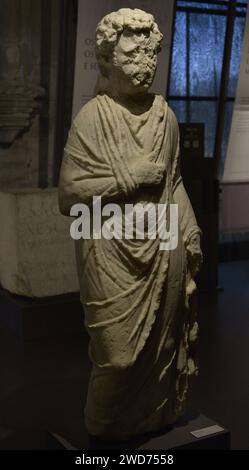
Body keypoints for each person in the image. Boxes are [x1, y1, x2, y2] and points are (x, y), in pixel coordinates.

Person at [58, 8, 202, 441]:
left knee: (162, 346)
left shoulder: (166, 118)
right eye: (131, 56)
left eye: (149, 56)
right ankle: (102, 434)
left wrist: (190, 231)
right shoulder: (92, 119)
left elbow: (173, 182)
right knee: (117, 359)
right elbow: (69, 196)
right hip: (107, 251)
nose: (143, 66)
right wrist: (128, 178)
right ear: (106, 61)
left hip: (163, 245)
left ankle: (153, 418)